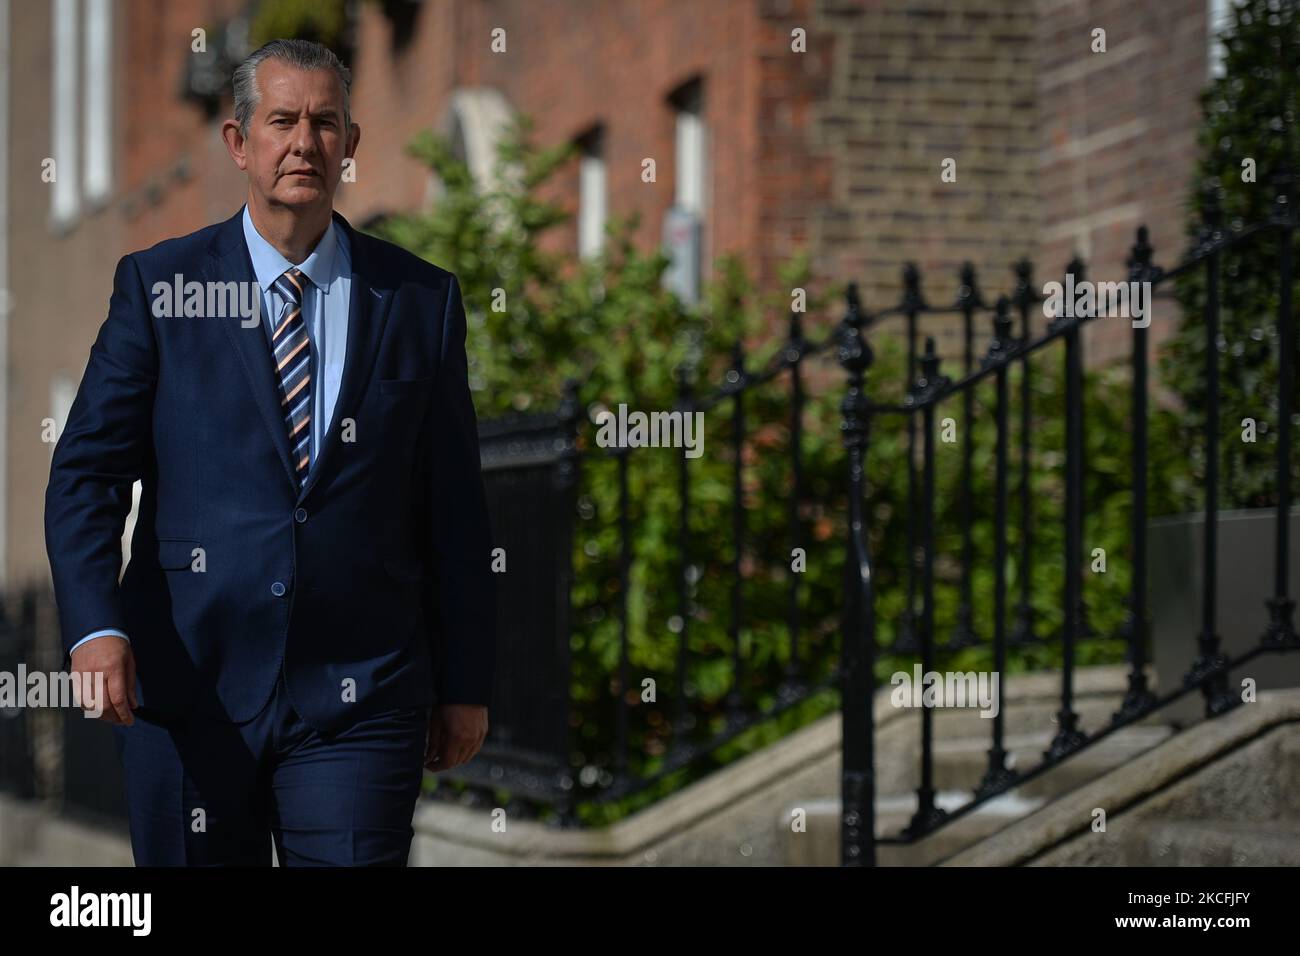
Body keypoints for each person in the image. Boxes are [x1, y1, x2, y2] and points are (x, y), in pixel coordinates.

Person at [43, 38, 498, 866]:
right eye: (283, 120)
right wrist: (93, 629)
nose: (305, 143)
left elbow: (455, 508)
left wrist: (465, 682)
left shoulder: (419, 300)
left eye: (326, 124)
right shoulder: (161, 288)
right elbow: (86, 474)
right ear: (239, 142)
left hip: (360, 695)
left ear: (352, 145)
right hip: (190, 686)